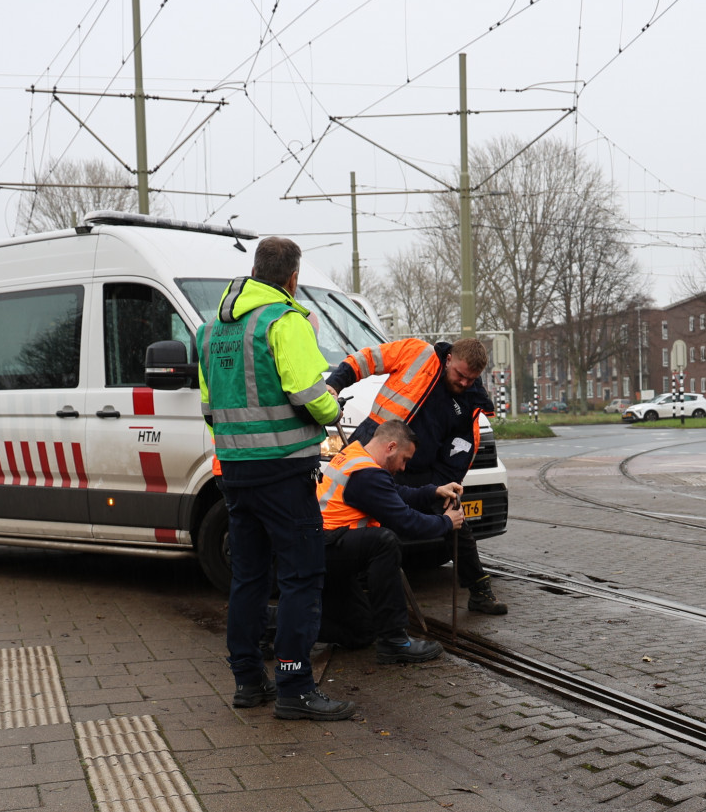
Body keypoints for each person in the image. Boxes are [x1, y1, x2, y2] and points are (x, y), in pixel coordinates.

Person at [200, 237, 355, 721]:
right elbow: (310, 395)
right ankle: (295, 686)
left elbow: (209, 408)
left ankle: (249, 681)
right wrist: (333, 408)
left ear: (255, 271)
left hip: (234, 472)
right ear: (292, 278)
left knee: (248, 578)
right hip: (284, 472)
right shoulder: (284, 321)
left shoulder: (209, 331)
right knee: (300, 578)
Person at [325, 337, 507, 615]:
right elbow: (367, 359)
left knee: (456, 521)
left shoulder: (469, 403)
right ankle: (356, 586)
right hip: (374, 452)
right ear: (448, 359)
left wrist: (438, 490)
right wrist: (334, 385)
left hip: (418, 471)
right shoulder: (416, 353)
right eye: (460, 375)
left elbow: (456, 456)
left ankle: (479, 590)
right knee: (367, 519)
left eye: (471, 379)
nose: (464, 383)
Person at [315, 419, 463, 662]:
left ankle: (271, 623)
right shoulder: (366, 474)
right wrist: (447, 522)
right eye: (404, 459)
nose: (404, 467)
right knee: (383, 542)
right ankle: (395, 640)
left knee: (361, 632)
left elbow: (393, 493)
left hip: (327, 550)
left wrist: (433, 491)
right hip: (327, 550)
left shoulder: (354, 455)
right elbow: (406, 522)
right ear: (391, 447)